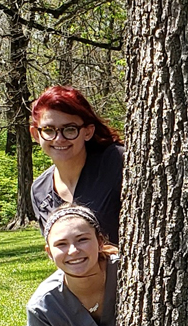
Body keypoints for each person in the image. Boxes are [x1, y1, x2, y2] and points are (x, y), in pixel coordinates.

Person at [30, 86, 124, 244]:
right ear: (36, 134)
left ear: (88, 132)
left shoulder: (117, 162)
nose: (59, 138)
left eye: (70, 129)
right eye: (49, 130)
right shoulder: (40, 191)